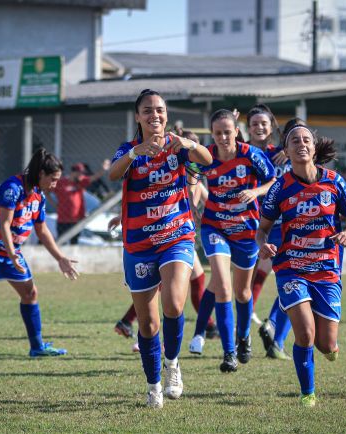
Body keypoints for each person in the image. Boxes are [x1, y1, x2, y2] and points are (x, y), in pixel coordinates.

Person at [108, 89, 212, 408]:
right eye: (148, 110)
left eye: (161, 110)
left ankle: (173, 364)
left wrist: (191, 143)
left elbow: (207, 161)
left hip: (176, 235)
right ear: (138, 116)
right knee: (149, 322)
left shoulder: (177, 146)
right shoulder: (129, 150)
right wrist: (135, 153)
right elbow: (113, 174)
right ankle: (153, 384)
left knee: (174, 304)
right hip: (139, 245)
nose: (156, 115)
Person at [257, 121, 346, 407]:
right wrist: (262, 244)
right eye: (294, 141)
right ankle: (308, 393)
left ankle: (330, 347)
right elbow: (262, 228)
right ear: (286, 152)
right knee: (305, 333)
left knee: (325, 344)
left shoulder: (334, 181)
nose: (301, 144)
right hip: (291, 267)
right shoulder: (280, 188)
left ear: (314, 148)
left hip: (327, 268)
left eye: (306, 140)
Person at [0, 148, 79, 360]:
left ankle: (37, 346)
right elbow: (5, 224)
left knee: (30, 293)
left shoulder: (38, 196)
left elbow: (42, 230)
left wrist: (60, 258)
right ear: (40, 174)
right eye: (53, 179)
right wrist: (13, 254)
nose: (55, 184)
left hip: (12, 251)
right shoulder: (12, 188)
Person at [113, 130, 216, 353]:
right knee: (170, 287)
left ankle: (200, 331)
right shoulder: (139, 152)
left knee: (181, 289)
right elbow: (145, 194)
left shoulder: (189, 166)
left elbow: (204, 184)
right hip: (147, 241)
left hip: (178, 236)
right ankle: (202, 327)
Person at [189, 109, 275, 372]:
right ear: (212, 134)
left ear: (237, 132)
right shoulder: (206, 156)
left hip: (247, 231)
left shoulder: (251, 155)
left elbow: (273, 181)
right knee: (223, 287)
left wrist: (255, 191)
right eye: (218, 133)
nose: (223, 137)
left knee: (243, 291)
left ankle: (243, 337)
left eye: (228, 132)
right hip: (215, 227)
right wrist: (193, 208)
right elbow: (190, 177)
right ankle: (229, 354)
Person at [246, 110, 296, 361]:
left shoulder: (283, 155)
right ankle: (273, 331)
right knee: (294, 281)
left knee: (276, 278)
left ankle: (271, 333)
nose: (260, 127)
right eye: (254, 123)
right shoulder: (250, 154)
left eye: (264, 123)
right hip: (264, 227)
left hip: (277, 227)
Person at [51, 159, 110, 245]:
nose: (81, 175)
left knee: (74, 244)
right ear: (73, 172)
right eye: (79, 173)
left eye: (82, 173)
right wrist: (54, 204)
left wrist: (103, 169)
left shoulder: (80, 182)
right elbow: (47, 191)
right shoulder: (61, 183)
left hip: (76, 220)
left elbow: (94, 177)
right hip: (63, 220)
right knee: (61, 244)